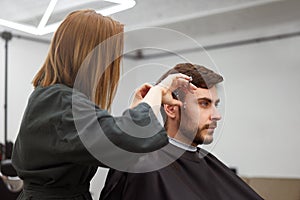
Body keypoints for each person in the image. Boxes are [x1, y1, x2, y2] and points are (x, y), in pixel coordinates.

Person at [11, 10, 196, 200]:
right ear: (93, 59)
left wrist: (137, 108)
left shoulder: (52, 98)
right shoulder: (57, 101)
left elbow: (107, 141)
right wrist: (156, 94)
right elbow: (124, 141)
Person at [100, 63, 263, 200]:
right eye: (204, 104)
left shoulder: (209, 164)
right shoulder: (142, 166)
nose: (217, 116)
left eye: (216, 105)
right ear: (171, 108)